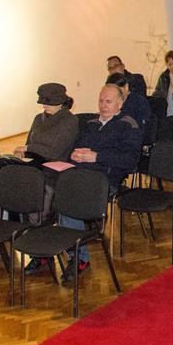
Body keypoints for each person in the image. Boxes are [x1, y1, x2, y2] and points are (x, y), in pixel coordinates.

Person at [61, 84, 142, 280]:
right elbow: (76, 149)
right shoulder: (91, 124)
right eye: (101, 101)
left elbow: (130, 161)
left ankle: (79, 257)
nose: (103, 105)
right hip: (81, 175)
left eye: (109, 102)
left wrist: (96, 157)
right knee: (53, 191)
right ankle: (49, 250)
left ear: (120, 104)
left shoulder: (128, 125)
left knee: (71, 199)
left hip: (105, 180)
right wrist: (75, 155)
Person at [13, 83, 79, 164]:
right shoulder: (38, 118)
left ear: (61, 103)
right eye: (43, 103)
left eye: (49, 103)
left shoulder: (70, 120)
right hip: (33, 160)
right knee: (2, 163)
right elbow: (29, 144)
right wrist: (21, 153)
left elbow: (54, 153)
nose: (44, 106)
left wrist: (27, 148)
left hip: (53, 164)